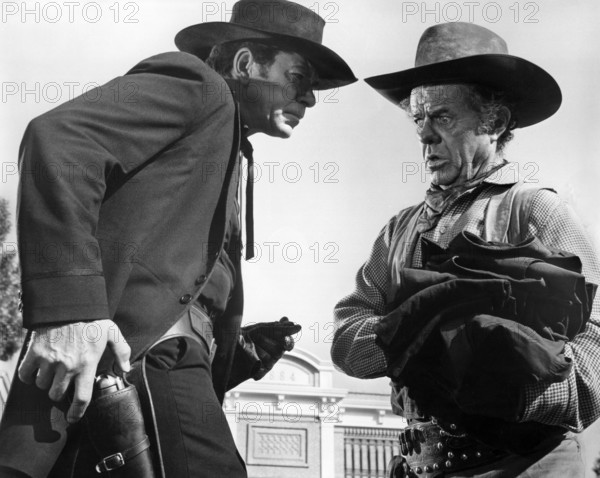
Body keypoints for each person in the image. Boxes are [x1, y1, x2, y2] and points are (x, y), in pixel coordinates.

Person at [0, 1, 356, 477]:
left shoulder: (227, 140)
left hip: (142, 372)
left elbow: (174, 281)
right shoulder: (201, 87)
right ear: (246, 64)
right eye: (299, 78)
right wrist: (72, 313)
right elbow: (57, 140)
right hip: (139, 365)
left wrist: (233, 348)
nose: (310, 98)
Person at [331, 22, 600, 477]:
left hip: (528, 465)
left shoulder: (537, 210)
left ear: (493, 122)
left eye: (443, 117)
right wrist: (415, 337)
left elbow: (594, 353)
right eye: (419, 118)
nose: (424, 136)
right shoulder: (398, 231)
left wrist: (500, 380)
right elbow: (345, 338)